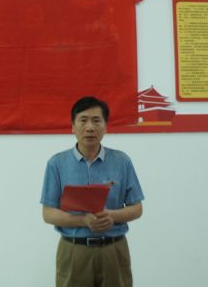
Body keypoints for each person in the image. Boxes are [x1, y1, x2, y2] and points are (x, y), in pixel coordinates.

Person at [40, 96, 144, 287]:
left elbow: (137, 208)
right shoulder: (57, 164)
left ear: (105, 127)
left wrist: (111, 216)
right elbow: (48, 213)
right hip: (74, 250)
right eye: (83, 120)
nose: (90, 127)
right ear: (73, 126)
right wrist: (83, 220)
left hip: (114, 249)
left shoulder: (122, 161)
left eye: (96, 121)